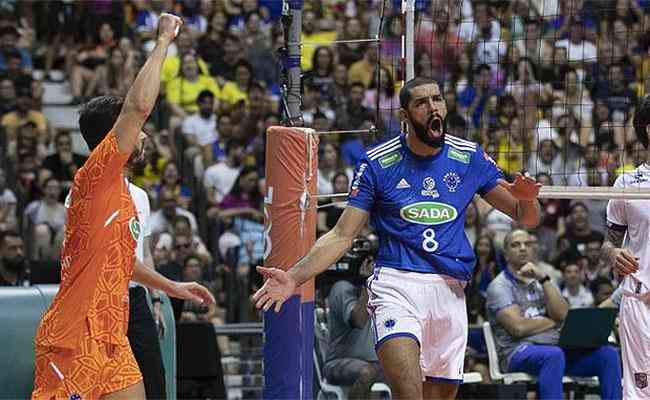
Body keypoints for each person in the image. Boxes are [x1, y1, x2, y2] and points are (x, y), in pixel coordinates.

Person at [253, 77, 542, 399]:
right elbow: (342, 234)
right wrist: (294, 277)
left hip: (450, 288)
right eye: (421, 102)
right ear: (404, 115)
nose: (432, 107)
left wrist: (528, 197)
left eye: (437, 99)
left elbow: (526, 217)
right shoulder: (378, 162)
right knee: (408, 392)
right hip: (397, 283)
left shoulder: (468, 156)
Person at [31, 14, 215, 400]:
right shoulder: (93, 179)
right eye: (136, 130)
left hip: (112, 334)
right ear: (113, 135)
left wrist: (170, 286)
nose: (144, 135)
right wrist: (164, 39)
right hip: (74, 338)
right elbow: (138, 107)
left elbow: (121, 259)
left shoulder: (125, 195)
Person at [486, 229, 621, 400]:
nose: (522, 248)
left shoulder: (544, 279)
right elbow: (518, 328)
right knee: (553, 356)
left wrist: (544, 279)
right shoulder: (499, 286)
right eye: (515, 245)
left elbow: (563, 315)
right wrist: (552, 320)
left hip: (556, 349)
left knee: (607, 354)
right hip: (517, 351)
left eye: (527, 244)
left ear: (534, 249)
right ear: (506, 254)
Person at [601, 94, 650, 399]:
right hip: (640, 300)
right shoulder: (628, 183)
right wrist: (613, 253)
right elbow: (609, 241)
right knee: (640, 391)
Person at [127, 154, 167, 399]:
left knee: (153, 373)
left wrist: (156, 299)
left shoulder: (141, 196)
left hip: (136, 297)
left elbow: (145, 254)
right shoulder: (86, 190)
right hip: (103, 299)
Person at [324, 255, 384, 400]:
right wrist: (367, 283)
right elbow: (358, 320)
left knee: (412, 370)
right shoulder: (342, 288)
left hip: (376, 363)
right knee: (366, 372)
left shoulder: (383, 292)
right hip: (340, 362)